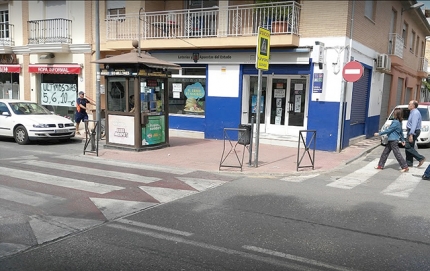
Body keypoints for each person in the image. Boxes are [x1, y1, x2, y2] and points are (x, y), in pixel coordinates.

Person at [374, 108, 409, 172]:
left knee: (397, 154)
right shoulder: (399, 121)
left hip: (393, 140)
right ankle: (380, 165)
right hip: (392, 140)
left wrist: (379, 133)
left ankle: (405, 166)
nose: (393, 114)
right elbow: (401, 132)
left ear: (397, 114)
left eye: (394, 113)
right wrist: (402, 140)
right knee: (385, 153)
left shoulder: (395, 122)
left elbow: (389, 130)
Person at [404, 100, 425, 167]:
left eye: (409, 104)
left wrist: (411, 134)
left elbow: (414, 124)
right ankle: (409, 163)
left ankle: (420, 158)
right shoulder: (412, 112)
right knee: (410, 147)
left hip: (413, 131)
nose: (408, 105)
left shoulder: (415, 113)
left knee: (407, 146)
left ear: (413, 106)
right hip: (412, 131)